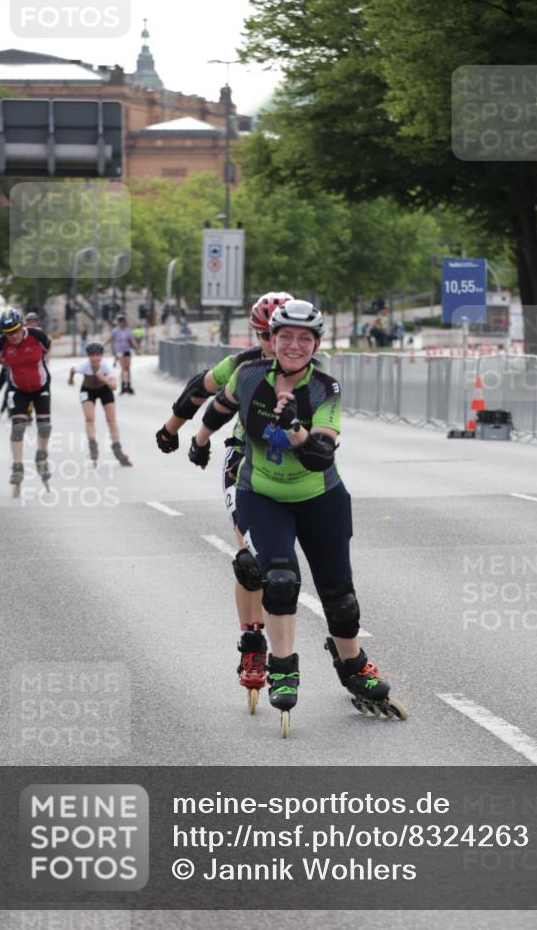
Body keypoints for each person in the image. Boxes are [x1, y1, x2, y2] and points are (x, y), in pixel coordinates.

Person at [188, 299, 406, 735]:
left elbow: (320, 456)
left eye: (304, 339)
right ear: (272, 338)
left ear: (315, 344)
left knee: (340, 597)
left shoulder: (326, 389)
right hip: (261, 494)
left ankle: (354, 666)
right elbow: (221, 404)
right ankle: (283, 665)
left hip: (320, 495)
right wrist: (199, 437)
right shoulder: (249, 376)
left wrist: (296, 428)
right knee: (281, 578)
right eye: (285, 336)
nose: (293, 345)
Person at [156, 292, 294, 709]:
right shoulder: (243, 365)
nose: (276, 345)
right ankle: (253, 643)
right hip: (244, 461)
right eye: (267, 336)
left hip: (295, 468)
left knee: (303, 561)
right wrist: (172, 428)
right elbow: (200, 389)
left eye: (282, 335)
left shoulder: (310, 370)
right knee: (251, 560)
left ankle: (347, 649)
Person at [0, 308, 53, 496]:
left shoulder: (36, 335)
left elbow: (48, 347)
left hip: (40, 385)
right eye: (9, 333)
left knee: (44, 426)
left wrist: (42, 361)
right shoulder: (0, 345)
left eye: (17, 331)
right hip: (18, 388)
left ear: (22, 327)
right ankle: (17, 466)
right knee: (18, 427)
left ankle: (41, 455)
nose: (14, 336)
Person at [68, 342, 132, 467]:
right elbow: (72, 370)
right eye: (92, 355)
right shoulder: (84, 366)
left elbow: (114, 387)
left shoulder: (107, 367)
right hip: (88, 390)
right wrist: (70, 379)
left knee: (111, 420)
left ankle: (117, 448)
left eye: (97, 355)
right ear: (88, 356)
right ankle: (93, 446)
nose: (95, 358)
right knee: (90, 418)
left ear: (101, 356)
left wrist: (105, 380)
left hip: (105, 389)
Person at [105, 314, 139, 395]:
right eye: (120, 321)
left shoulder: (128, 331)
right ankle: (123, 385)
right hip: (119, 351)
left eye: (122, 321)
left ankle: (129, 385)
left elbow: (132, 340)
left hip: (126, 350)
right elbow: (110, 338)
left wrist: (137, 348)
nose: (121, 323)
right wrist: (103, 345)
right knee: (123, 368)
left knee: (128, 368)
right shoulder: (115, 331)